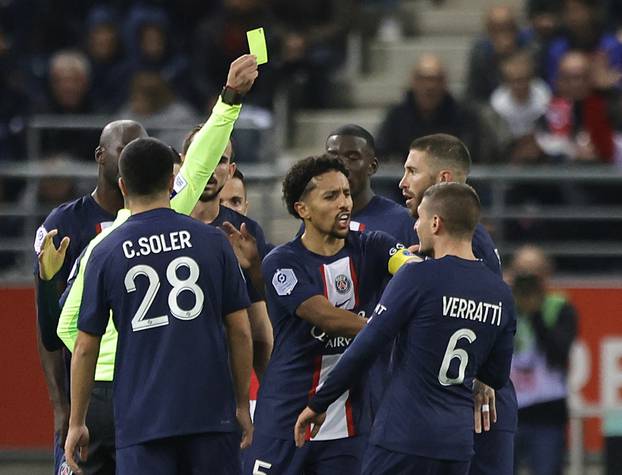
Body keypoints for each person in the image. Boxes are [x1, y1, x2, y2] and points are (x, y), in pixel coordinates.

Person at [45, 54, 258, 475]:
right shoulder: (211, 241)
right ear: (171, 180)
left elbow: (70, 330)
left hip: (121, 397)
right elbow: (241, 328)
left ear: (123, 183)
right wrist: (230, 98)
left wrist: (82, 402)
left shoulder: (100, 249)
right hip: (197, 400)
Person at [294, 182, 516, 475]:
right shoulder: (500, 293)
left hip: (404, 436)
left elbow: (366, 346)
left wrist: (319, 402)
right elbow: (496, 375)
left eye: (420, 218)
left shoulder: (418, 276)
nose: (415, 227)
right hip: (456, 444)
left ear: (436, 223)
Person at [244, 155, 416, 474]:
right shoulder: (282, 263)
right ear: (302, 209)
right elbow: (326, 317)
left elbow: (411, 271)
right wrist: (387, 329)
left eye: (346, 193)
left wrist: (426, 269)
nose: (344, 203)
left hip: (349, 426)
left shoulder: (374, 246)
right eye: (330, 196)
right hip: (286, 417)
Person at [397, 134, 517, 475]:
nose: (402, 182)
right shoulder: (451, 242)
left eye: (412, 171)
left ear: (443, 180)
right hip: (460, 408)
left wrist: (482, 379)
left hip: (476, 410)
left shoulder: (467, 248)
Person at [186, 134, 273, 381]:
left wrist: (269, 395)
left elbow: (259, 322)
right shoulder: (161, 222)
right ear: (183, 163)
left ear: (230, 169)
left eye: (220, 160)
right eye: (202, 157)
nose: (211, 169)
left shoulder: (246, 231)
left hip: (226, 375)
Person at [508, 245, 578, 475]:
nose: (527, 280)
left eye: (533, 273)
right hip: (508, 412)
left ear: (546, 273)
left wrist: (536, 313)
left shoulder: (560, 307)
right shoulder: (502, 305)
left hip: (547, 414)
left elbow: (559, 355)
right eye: (522, 272)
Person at [376, 54, 499, 164]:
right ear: (413, 81)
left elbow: (477, 156)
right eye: (423, 79)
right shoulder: (397, 116)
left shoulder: (464, 115)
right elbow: (382, 154)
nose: (430, 86)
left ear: (445, 83)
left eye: (436, 79)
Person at [325, 124, 417, 244]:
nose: (341, 166)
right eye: (332, 158)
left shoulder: (404, 223)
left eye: (352, 158)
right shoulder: (316, 221)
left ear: (372, 167)